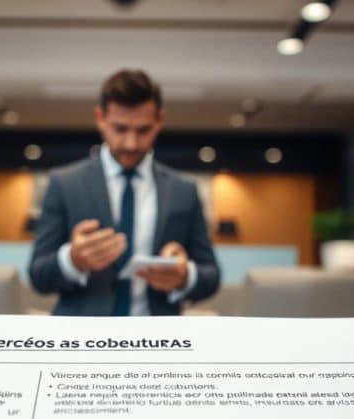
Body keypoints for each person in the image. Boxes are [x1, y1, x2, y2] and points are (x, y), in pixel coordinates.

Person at [29, 69, 219, 316]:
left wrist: (184, 275)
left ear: (159, 121)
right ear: (100, 118)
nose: (131, 143)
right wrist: (73, 260)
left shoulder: (184, 190)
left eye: (143, 130)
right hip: (81, 339)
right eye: (120, 129)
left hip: (156, 340)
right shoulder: (64, 183)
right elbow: (38, 275)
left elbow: (211, 276)